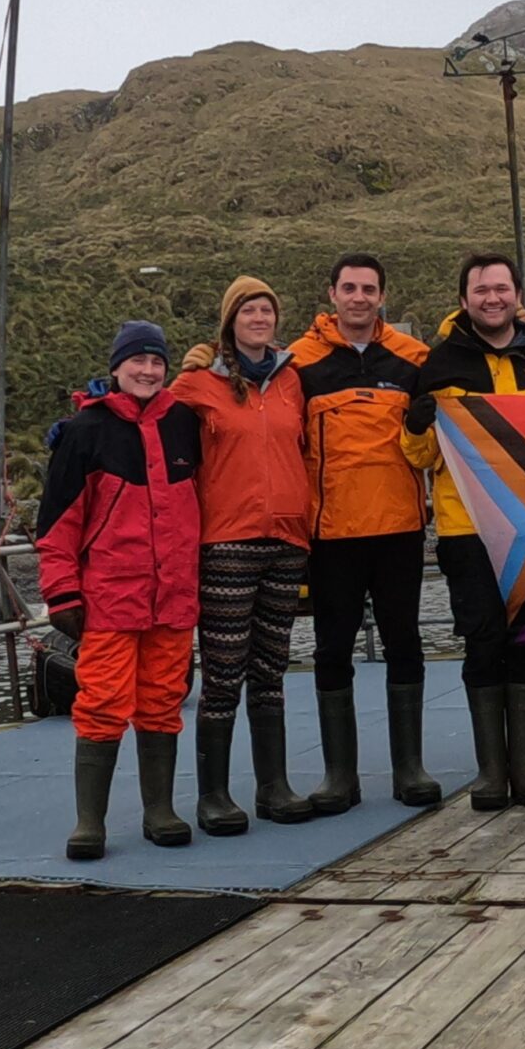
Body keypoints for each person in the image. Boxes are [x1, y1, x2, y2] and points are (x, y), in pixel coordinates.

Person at [401, 252, 525, 811]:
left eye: (501, 288)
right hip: (466, 527)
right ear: (464, 300)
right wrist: (416, 427)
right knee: (482, 638)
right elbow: (422, 456)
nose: (492, 298)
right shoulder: (437, 364)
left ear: (517, 294)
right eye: (481, 291)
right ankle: (490, 772)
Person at [37, 320, 203, 860]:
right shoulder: (83, 432)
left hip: (173, 595)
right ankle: (91, 822)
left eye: (157, 361)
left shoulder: (184, 423)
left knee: (162, 703)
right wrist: (61, 593)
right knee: (102, 703)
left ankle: (160, 810)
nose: (148, 370)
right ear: (116, 366)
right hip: (110, 597)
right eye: (138, 361)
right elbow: (57, 522)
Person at [290, 253, 439, 812]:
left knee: (406, 642)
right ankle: (339, 777)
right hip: (329, 533)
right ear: (331, 294)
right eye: (348, 287)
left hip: (399, 527)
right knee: (331, 649)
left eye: (368, 289)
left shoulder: (414, 359)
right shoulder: (296, 363)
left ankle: (410, 768)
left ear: (383, 297)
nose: (358, 297)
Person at [171, 276, 314, 836]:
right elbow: (152, 419)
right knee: (225, 669)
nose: (259, 317)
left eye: (267, 310)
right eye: (248, 310)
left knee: (272, 667)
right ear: (230, 320)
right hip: (226, 539)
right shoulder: (197, 384)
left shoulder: (291, 380)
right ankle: (214, 795)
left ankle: (272, 787)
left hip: (287, 539)